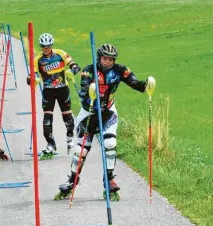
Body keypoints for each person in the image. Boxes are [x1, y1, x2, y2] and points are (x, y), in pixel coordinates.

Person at [54, 44, 156, 201]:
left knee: (110, 144)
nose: (107, 62)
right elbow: (84, 88)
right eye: (104, 58)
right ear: (99, 58)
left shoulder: (120, 70)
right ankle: (72, 181)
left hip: (108, 112)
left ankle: (109, 180)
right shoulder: (89, 70)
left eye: (110, 59)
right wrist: (89, 93)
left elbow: (134, 82)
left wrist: (145, 86)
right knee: (81, 151)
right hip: (89, 113)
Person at [27, 33, 81, 160]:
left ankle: (69, 137)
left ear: (51, 45)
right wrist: (31, 79)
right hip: (48, 91)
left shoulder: (60, 53)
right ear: (41, 46)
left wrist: (72, 71)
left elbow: (75, 65)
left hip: (63, 89)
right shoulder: (37, 59)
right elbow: (32, 76)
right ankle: (51, 144)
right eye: (43, 46)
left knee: (67, 116)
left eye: (48, 46)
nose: (46, 48)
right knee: (47, 120)